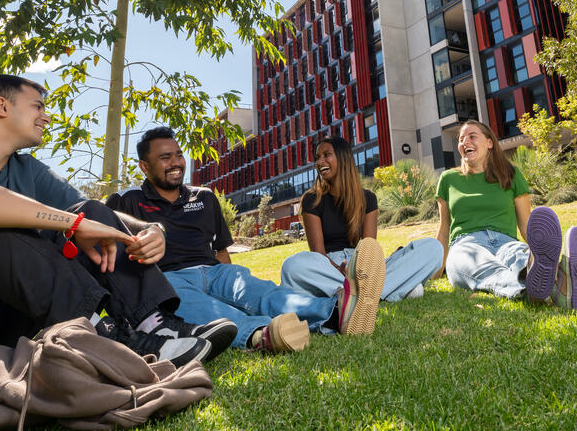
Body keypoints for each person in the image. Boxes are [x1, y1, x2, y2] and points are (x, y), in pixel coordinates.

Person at [0, 75, 236, 384]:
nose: (47, 115)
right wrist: (71, 223)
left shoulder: (27, 171)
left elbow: (90, 212)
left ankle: (155, 325)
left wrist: (151, 228)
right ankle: (105, 338)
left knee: (92, 209)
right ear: (1, 106)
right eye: (38, 106)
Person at [107, 127, 383, 354]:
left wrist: (229, 276)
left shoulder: (203, 197)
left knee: (262, 292)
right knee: (207, 309)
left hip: (216, 271)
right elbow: (113, 254)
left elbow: (221, 250)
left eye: (179, 155)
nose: (176, 163)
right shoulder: (125, 200)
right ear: (144, 166)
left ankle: (335, 312)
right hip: (168, 279)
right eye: (165, 158)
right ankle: (261, 334)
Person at [434, 120, 577, 308]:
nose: (464, 142)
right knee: (480, 267)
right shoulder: (448, 179)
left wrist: (535, 247)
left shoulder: (511, 174)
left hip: (505, 242)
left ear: (489, 143)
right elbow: (444, 227)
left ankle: (550, 277)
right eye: (461, 139)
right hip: (465, 244)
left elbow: (526, 225)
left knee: (521, 257)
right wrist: (435, 269)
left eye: (472, 136)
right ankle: (549, 288)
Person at [280, 136, 444, 304]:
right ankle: (384, 292)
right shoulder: (312, 199)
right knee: (292, 266)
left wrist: (358, 271)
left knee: (433, 248)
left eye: (326, 155)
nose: (319, 161)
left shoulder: (368, 198)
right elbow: (318, 254)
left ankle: (355, 296)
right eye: (317, 157)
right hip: (327, 268)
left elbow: (368, 248)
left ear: (343, 159)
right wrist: (341, 271)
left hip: (362, 267)